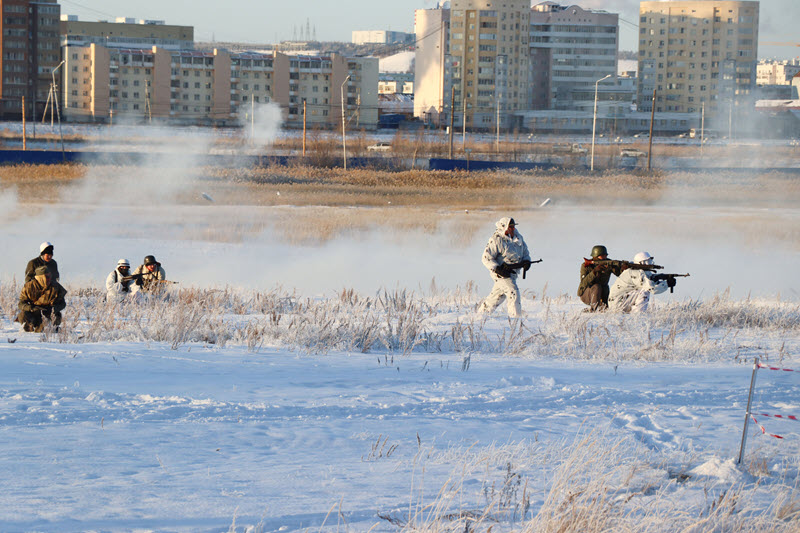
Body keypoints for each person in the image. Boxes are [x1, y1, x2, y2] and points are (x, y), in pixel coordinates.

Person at [478, 217, 531, 318]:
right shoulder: (496, 240)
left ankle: (480, 316)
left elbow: (525, 253)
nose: (513, 228)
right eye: (510, 227)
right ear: (504, 227)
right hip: (500, 274)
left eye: (513, 226)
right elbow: (486, 258)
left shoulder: (518, 238)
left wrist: (526, 261)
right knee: (513, 292)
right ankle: (515, 320)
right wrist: (497, 269)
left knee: (497, 297)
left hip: (513, 274)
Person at [609, 251, 673, 313]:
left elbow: (649, 279)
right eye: (647, 261)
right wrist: (667, 284)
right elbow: (652, 288)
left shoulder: (641, 271)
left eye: (650, 261)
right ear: (641, 262)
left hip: (621, 300)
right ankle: (638, 314)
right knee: (645, 290)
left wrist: (659, 277)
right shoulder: (634, 272)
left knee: (643, 289)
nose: (650, 263)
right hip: (617, 303)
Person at [17, 265, 67, 332]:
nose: (49, 278)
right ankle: (30, 328)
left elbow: (62, 303)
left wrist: (53, 309)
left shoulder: (56, 287)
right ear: (41, 278)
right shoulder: (29, 286)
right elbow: (21, 304)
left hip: (49, 313)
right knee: (23, 315)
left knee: (47, 325)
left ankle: (49, 328)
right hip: (34, 312)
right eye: (47, 277)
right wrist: (31, 308)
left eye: (50, 276)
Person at [578, 245, 626, 312]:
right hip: (587, 294)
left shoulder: (608, 263)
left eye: (605, 255)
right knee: (596, 286)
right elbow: (584, 283)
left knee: (605, 287)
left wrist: (623, 270)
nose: (605, 257)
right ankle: (594, 309)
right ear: (595, 256)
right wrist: (594, 272)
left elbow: (619, 274)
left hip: (603, 292)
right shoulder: (586, 265)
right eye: (602, 256)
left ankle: (605, 307)